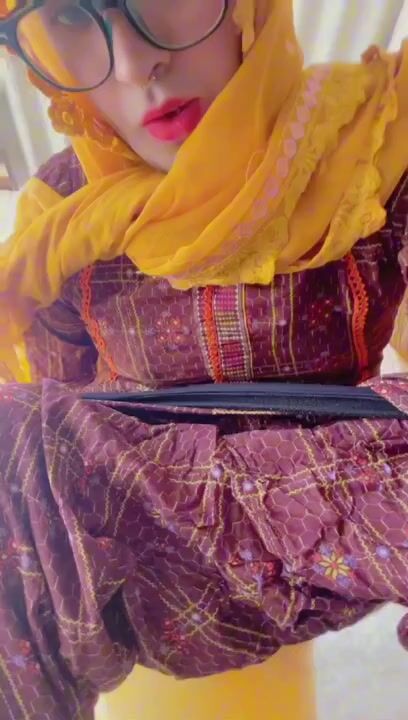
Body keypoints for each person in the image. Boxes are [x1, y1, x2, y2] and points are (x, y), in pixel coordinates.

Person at [0, 1, 408, 719]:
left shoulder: (372, 147)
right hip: (142, 614)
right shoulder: (60, 215)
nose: (136, 65)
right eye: (68, 13)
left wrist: (117, 488)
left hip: (288, 588)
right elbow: (64, 429)